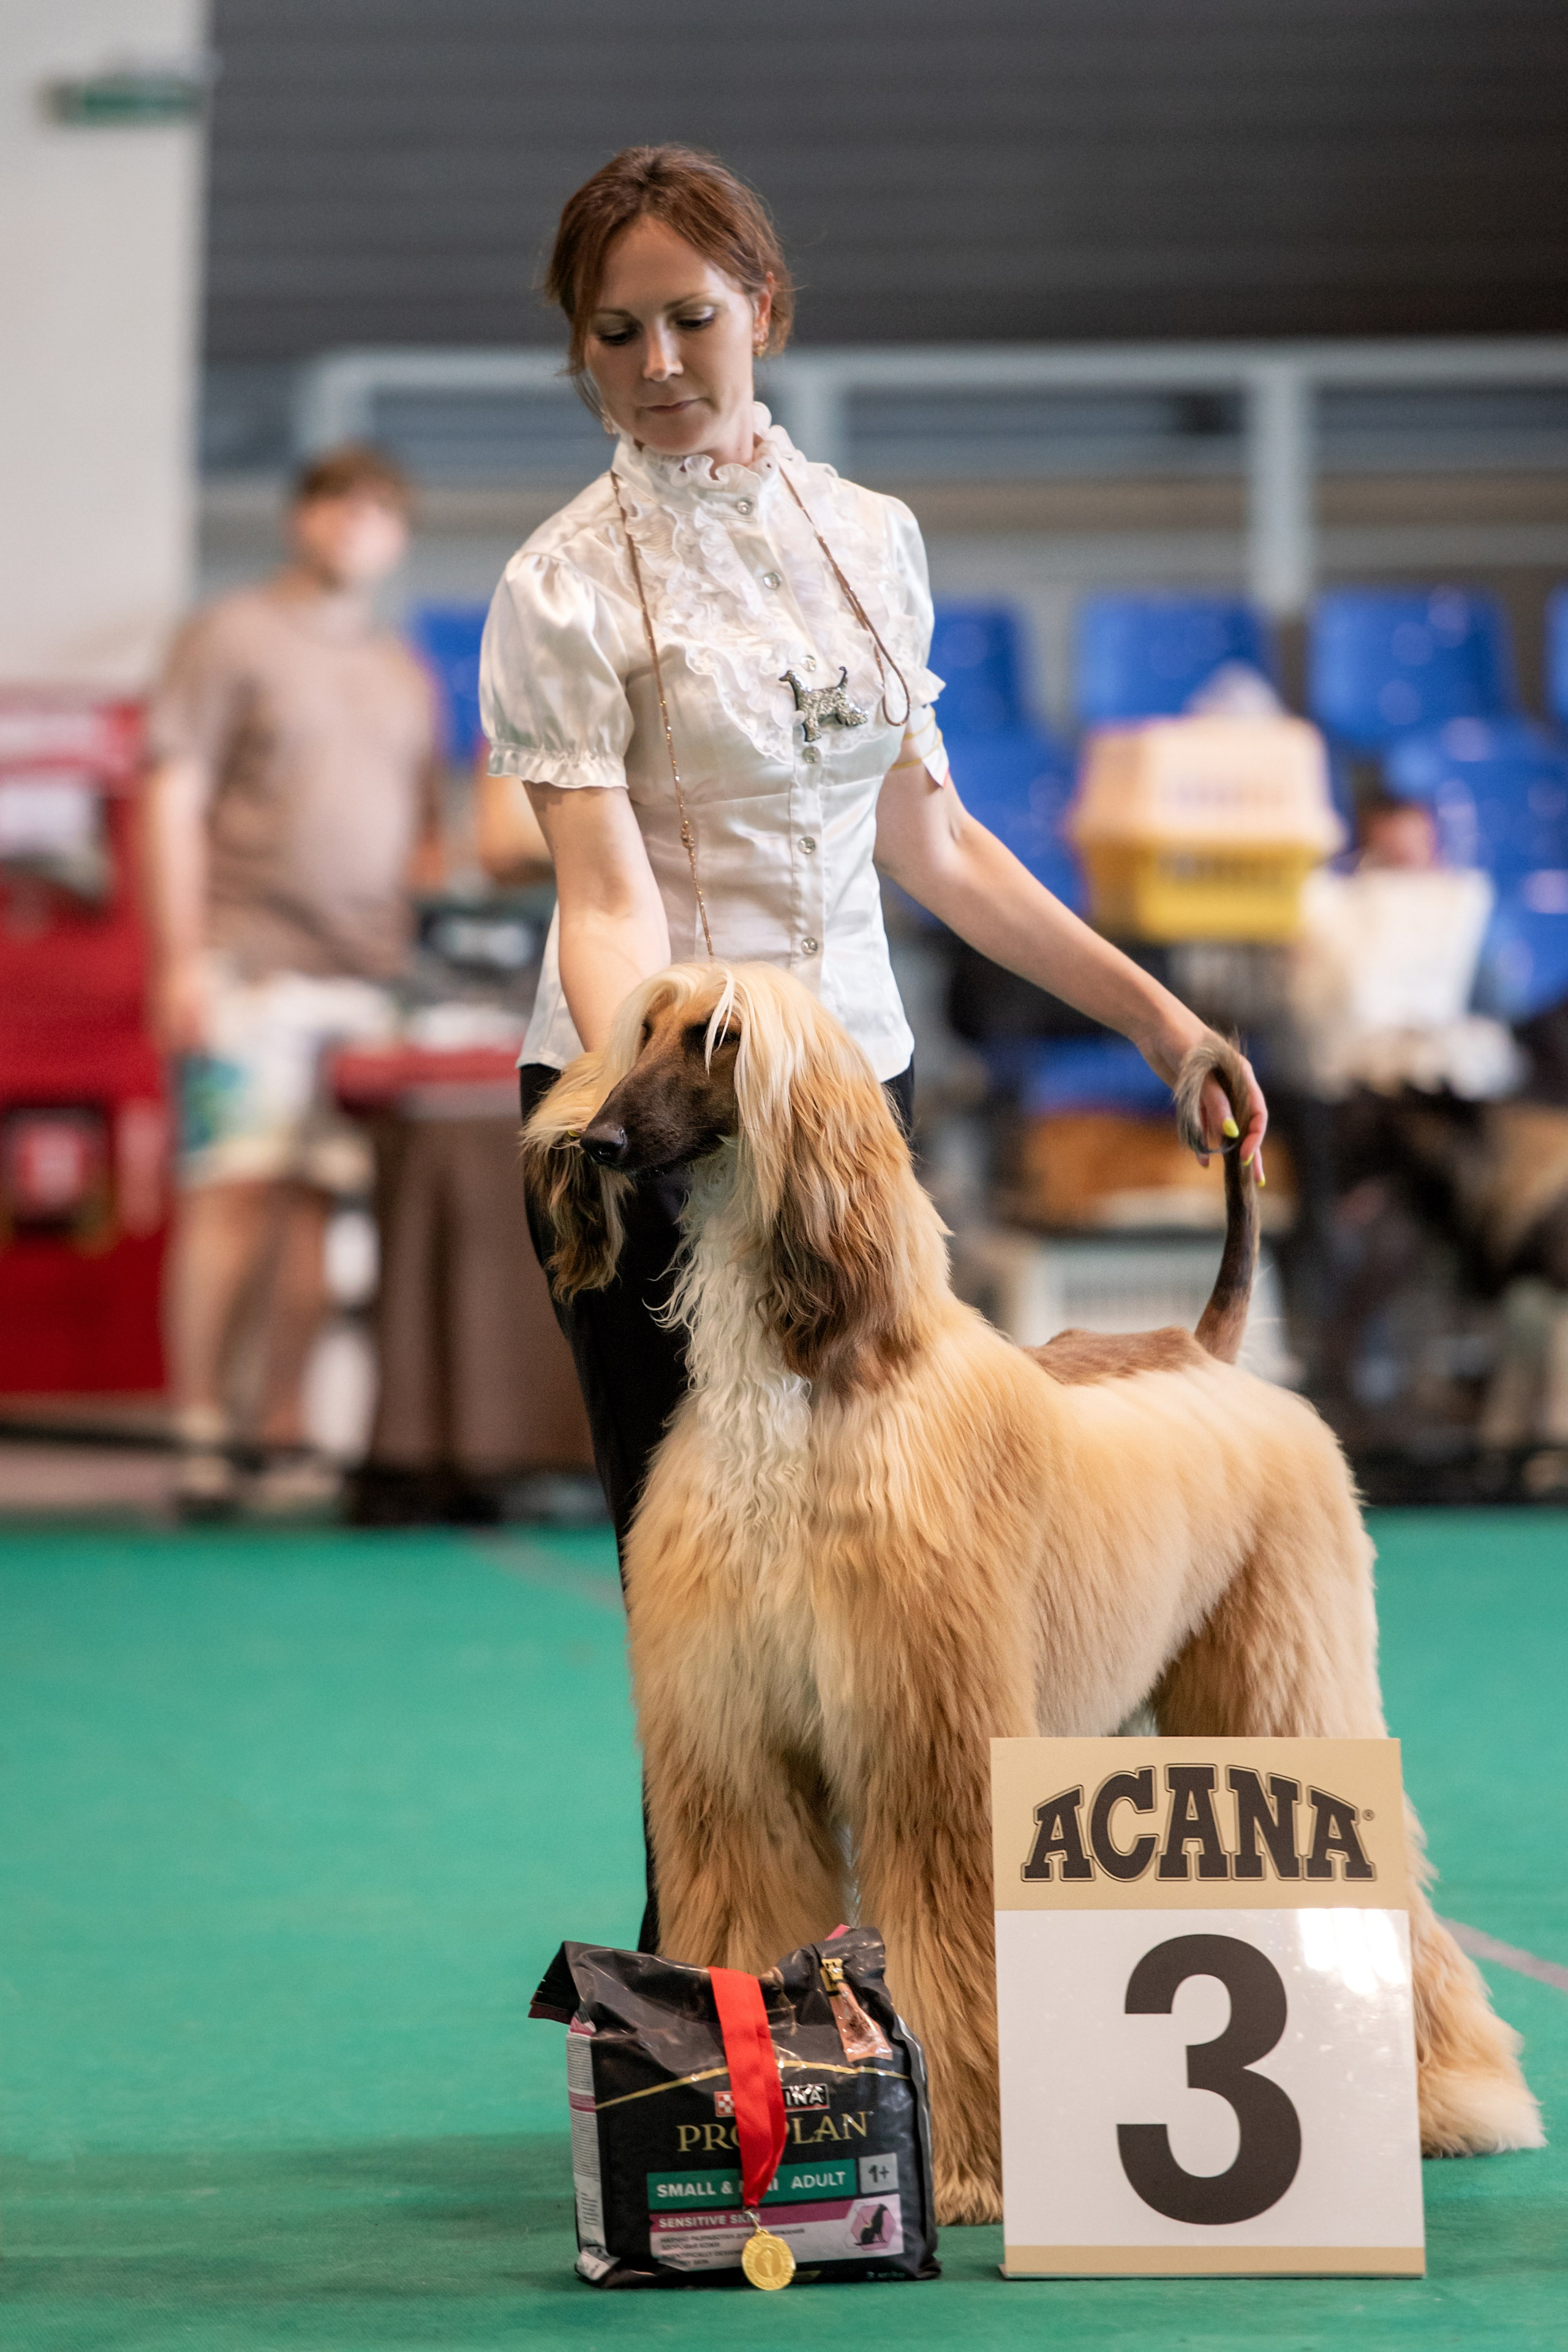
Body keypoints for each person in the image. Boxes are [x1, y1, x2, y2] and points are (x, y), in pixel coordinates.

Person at [480, 146, 1267, 1946]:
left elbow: (939, 846)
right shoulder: (561, 585)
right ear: (580, 349)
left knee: (898, 1558)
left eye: (691, 318)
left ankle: (906, 1993)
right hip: (654, 1112)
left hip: (849, 1115)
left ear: (761, 307)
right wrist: (632, 1117)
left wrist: (1160, 1020)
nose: (658, 362)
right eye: (616, 332)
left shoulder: (871, 537)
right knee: (704, 1599)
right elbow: (604, 898)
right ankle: (723, 2012)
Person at [144, 445, 445, 1515]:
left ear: (397, 536)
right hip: (248, 968)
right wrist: (179, 961)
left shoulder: (403, 669)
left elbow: (425, 830)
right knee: (233, 1191)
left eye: (380, 509)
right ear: (300, 519)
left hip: (367, 984)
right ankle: (200, 1433)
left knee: (321, 1205)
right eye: (337, 504)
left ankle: (280, 1430)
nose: (357, 523)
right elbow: (173, 798)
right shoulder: (231, 634)